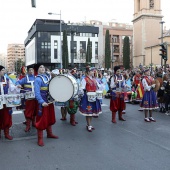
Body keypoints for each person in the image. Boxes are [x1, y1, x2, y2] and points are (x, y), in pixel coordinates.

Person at [34, 64, 58, 146]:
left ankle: (49, 134)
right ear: (37, 70)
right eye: (40, 67)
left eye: (43, 67)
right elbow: (36, 92)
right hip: (43, 102)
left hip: (49, 101)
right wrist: (41, 102)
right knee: (41, 120)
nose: (42, 68)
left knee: (50, 117)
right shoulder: (37, 79)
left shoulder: (48, 76)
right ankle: (40, 139)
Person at [16, 66, 38, 132]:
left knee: (35, 111)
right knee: (28, 112)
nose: (31, 71)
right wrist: (18, 85)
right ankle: (28, 125)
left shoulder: (36, 78)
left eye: (32, 70)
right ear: (28, 71)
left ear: (34, 71)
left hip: (36, 97)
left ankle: (34, 123)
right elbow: (17, 82)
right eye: (30, 70)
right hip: (28, 98)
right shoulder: (25, 78)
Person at [79, 66, 102, 132]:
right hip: (88, 96)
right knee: (88, 112)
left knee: (91, 112)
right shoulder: (85, 79)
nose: (93, 72)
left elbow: (99, 87)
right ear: (88, 72)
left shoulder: (94, 79)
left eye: (93, 71)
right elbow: (82, 88)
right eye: (92, 71)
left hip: (94, 96)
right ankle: (89, 125)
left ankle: (89, 124)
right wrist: (83, 94)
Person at [0, 65, 17, 140]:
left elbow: (12, 88)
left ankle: (6, 133)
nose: (4, 71)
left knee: (7, 117)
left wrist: (17, 87)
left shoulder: (7, 79)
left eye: (4, 70)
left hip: (6, 102)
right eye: (2, 70)